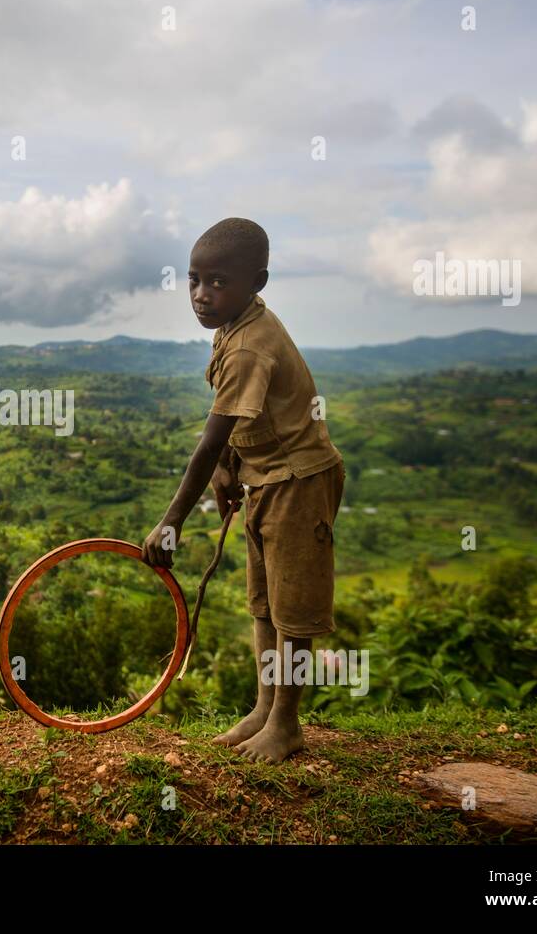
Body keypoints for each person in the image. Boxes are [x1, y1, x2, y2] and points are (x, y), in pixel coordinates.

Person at [142, 218, 345, 762]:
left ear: (257, 281)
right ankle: (262, 708)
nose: (202, 296)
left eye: (218, 282)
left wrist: (172, 520)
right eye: (194, 280)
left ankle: (287, 724)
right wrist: (233, 470)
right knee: (263, 607)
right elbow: (238, 430)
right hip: (266, 479)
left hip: (299, 483)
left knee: (293, 616)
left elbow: (208, 444)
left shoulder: (250, 346)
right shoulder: (233, 326)